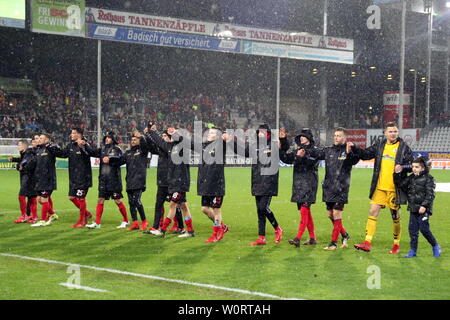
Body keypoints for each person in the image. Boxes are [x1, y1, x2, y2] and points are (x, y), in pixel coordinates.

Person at [353, 122, 413, 254]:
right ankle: (367, 243)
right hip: (379, 187)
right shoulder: (380, 145)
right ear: (385, 133)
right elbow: (365, 154)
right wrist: (355, 148)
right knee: (373, 212)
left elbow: (412, 164)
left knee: (395, 216)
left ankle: (396, 244)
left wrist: (403, 167)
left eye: (395, 131)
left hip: (394, 188)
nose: (393, 134)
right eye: (390, 131)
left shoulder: (403, 147)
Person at [309, 128, 358, 251]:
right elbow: (315, 153)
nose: (336, 137)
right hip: (329, 187)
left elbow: (354, 160)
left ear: (344, 138)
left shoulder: (348, 151)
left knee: (336, 213)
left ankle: (333, 243)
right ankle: (345, 235)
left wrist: (349, 152)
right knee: (331, 215)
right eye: (335, 135)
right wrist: (308, 145)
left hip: (341, 188)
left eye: (339, 136)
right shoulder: (328, 150)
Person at [235, 124, 283, 246]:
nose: (259, 134)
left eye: (262, 132)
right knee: (259, 211)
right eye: (258, 132)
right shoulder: (254, 146)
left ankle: (277, 228)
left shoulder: (273, 145)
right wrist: (231, 141)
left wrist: (283, 140)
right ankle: (261, 238)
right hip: (257, 182)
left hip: (269, 182)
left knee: (263, 208)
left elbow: (284, 149)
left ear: (267, 133)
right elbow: (241, 152)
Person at [146, 126, 195, 238]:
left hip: (180, 182)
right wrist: (151, 131)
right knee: (183, 206)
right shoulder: (168, 146)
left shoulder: (183, 146)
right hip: (173, 182)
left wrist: (175, 133)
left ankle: (163, 230)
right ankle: (190, 231)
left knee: (172, 204)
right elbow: (159, 141)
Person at [279, 128, 319, 247]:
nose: (301, 137)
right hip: (299, 185)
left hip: (309, 185)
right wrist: (282, 143)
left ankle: (298, 238)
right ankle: (312, 238)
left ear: (309, 138)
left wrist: (300, 157)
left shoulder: (314, 151)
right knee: (306, 213)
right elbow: (286, 159)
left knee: (304, 211)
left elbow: (310, 163)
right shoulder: (298, 150)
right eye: (300, 136)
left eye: (304, 136)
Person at [80, 132, 129, 229]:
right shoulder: (102, 149)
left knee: (117, 201)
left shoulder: (117, 149)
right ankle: (97, 223)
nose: (107, 139)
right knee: (100, 200)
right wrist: (85, 144)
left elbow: (121, 159)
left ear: (113, 139)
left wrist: (110, 159)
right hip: (103, 180)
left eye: (109, 138)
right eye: (106, 137)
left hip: (114, 180)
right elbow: (92, 152)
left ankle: (126, 220)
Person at [395, 157, 440, 258]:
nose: (414, 169)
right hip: (413, 208)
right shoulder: (411, 177)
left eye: (417, 167)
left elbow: (430, 194)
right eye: (413, 167)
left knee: (424, 229)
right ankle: (413, 251)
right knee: (412, 230)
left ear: (423, 168)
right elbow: (401, 185)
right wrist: (397, 174)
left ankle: (435, 246)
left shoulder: (429, 179)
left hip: (424, 209)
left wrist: (424, 205)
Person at [194, 127, 231, 243]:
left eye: (213, 133)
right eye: (209, 132)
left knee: (216, 210)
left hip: (216, 184)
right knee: (204, 209)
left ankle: (216, 233)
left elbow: (225, 139)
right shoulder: (204, 146)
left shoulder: (220, 146)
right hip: (206, 184)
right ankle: (222, 226)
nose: (210, 134)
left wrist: (225, 136)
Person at [57, 128, 93, 228]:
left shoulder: (85, 145)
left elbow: (89, 153)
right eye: (71, 133)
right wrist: (52, 148)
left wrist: (83, 146)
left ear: (79, 135)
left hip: (83, 177)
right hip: (73, 177)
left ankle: (82, 221)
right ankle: (87, 214)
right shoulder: (70, 145)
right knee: (72, 197)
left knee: (81, 198)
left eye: (73, 133)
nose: (71, 135)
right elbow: (63, 154)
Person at [115, 132, 150, 231]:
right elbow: (119, 162)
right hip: (130, 180)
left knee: (137, 201)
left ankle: (144, 221)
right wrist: (109, 160)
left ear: (139, 141)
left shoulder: (143, 151)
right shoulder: (128, 153)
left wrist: (142, 137)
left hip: (139, 180)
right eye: (132, 140)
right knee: (131, 203)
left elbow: (145, 145)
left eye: (135, 140)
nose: (133, 141)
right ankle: (135, 222)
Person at [30, 133, 61, 227]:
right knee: (39, 199)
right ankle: (53, 214)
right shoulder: (38, 150)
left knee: (44, 199)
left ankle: (43, 220)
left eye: (41, 138)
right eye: (38, 138)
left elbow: (59, 152)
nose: (39, 140)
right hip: (40, 179)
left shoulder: (51, 148)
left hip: (48, 179)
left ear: (47, 139)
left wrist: (51, 145)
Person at [9, 139, 37, 223]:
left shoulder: (29, 153)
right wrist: (14, 160)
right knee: (32, 197)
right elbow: (23, 161)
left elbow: (27, 164)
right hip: (29, 178)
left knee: (21, 196)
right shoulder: (25, 154)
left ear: (24, 146)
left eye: (19, 145)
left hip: (28, 178)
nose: (18, 146)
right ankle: (34, 217)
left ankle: (24, 216)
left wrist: (20, 167)